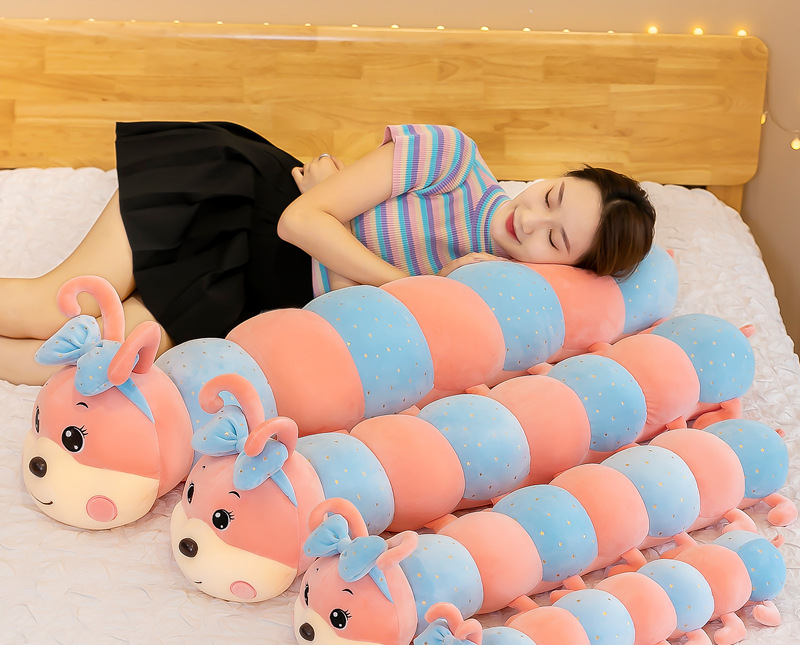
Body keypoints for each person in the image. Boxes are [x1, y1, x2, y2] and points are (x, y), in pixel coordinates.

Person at [0, 121, 655, 386]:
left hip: (261, 293)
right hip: (239, 202)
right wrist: (405, 288)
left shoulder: (488, 299)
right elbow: (298, 220)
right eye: (551, 195)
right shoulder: (452, 159)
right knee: (58, 307)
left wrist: (346, 252)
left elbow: (352, 322)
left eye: (554, 240)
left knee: (104, 356)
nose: (529, 219)